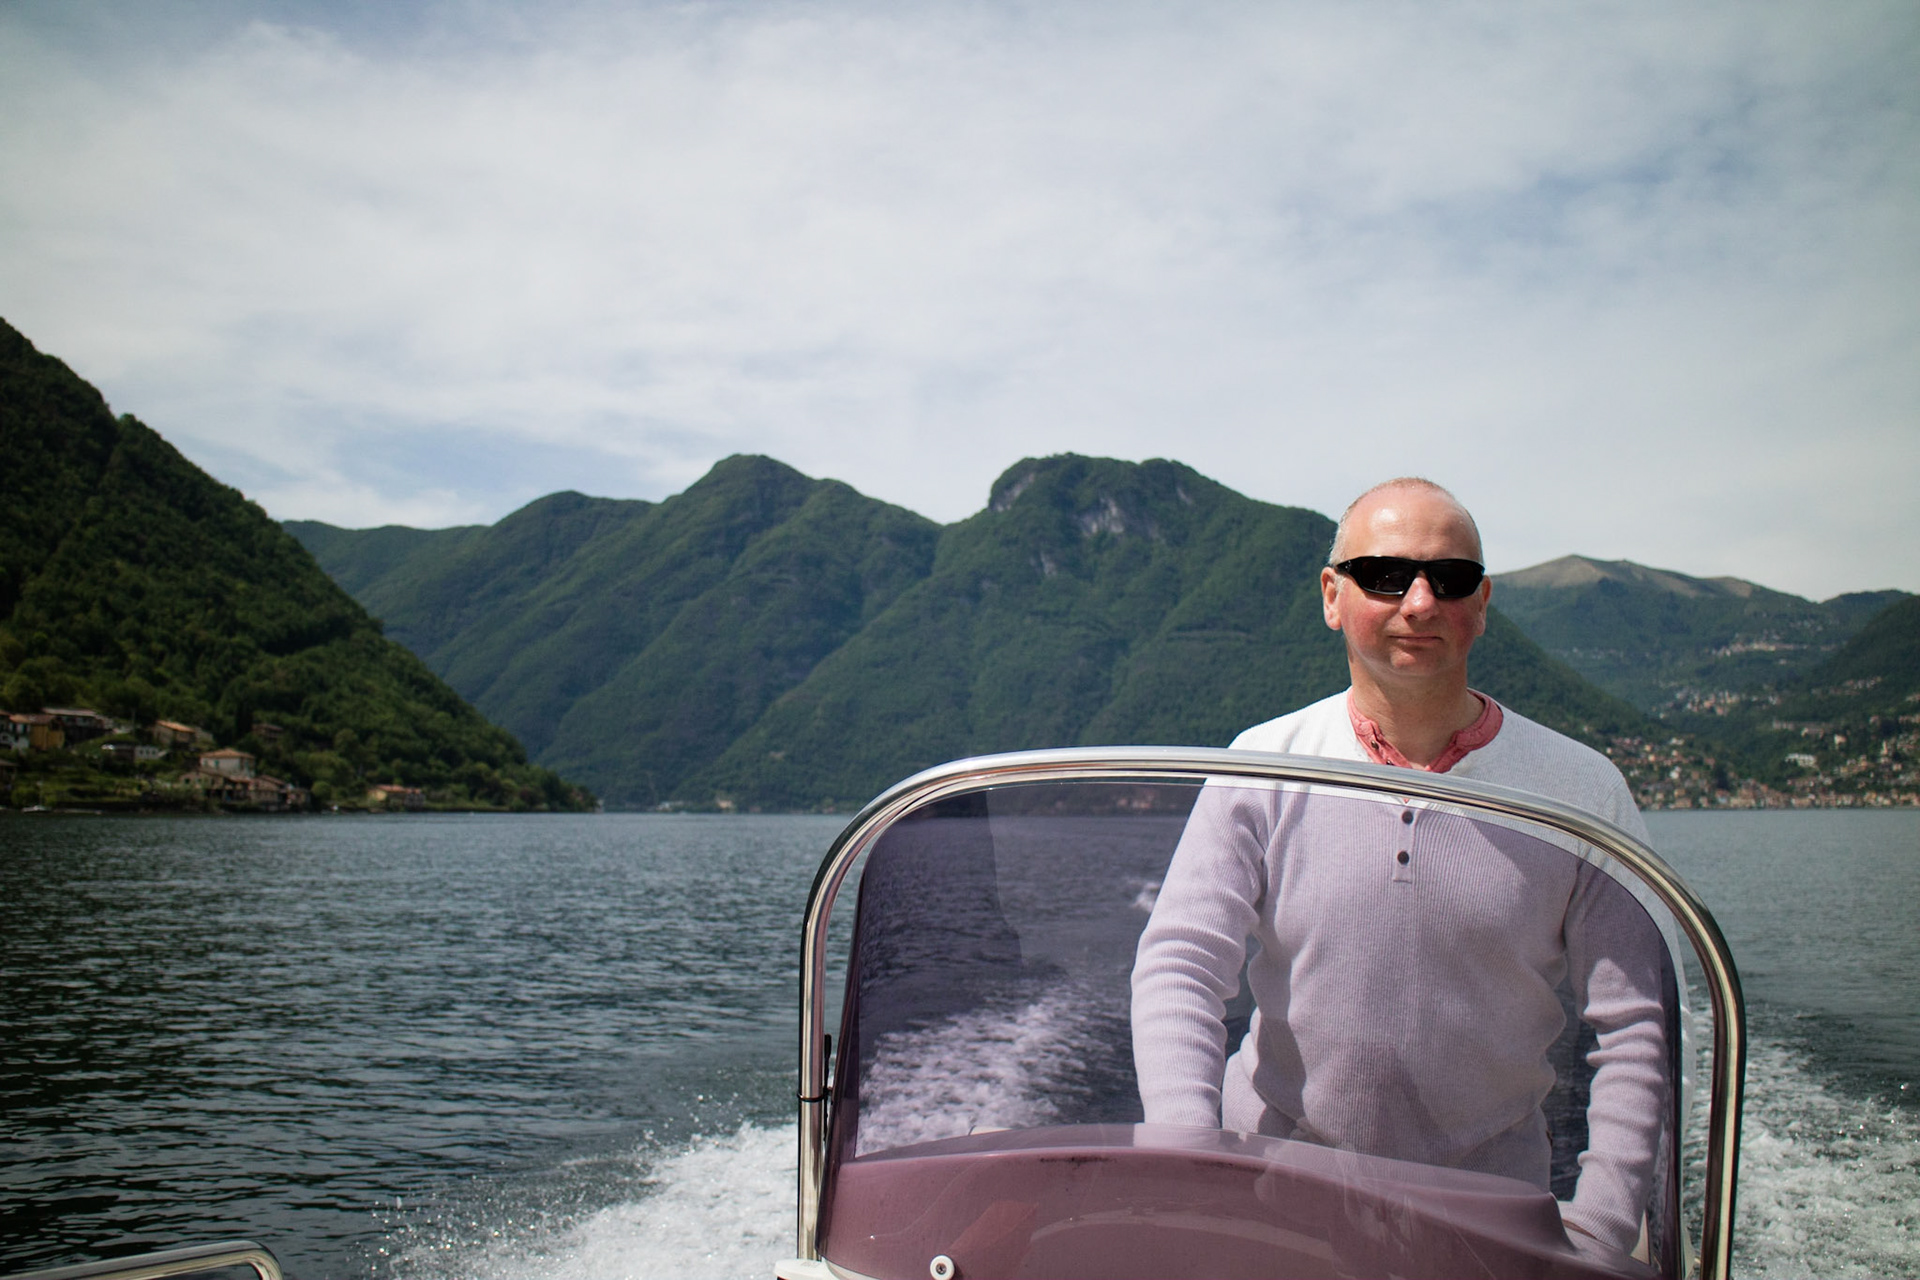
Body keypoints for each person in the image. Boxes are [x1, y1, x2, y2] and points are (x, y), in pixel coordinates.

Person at [1130, 477, 1670, 1257]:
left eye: (1448, 581)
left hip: (1489, 1223)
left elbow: (1637, 1022)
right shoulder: (1263, 765)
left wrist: (1599, 1232)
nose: (1419, 603)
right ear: (1331, 596)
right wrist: (1190, 1167)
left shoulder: (1583, 791)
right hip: (1274, 1202)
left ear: (1480, 606)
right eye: (1384, 575)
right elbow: (1180, 965)